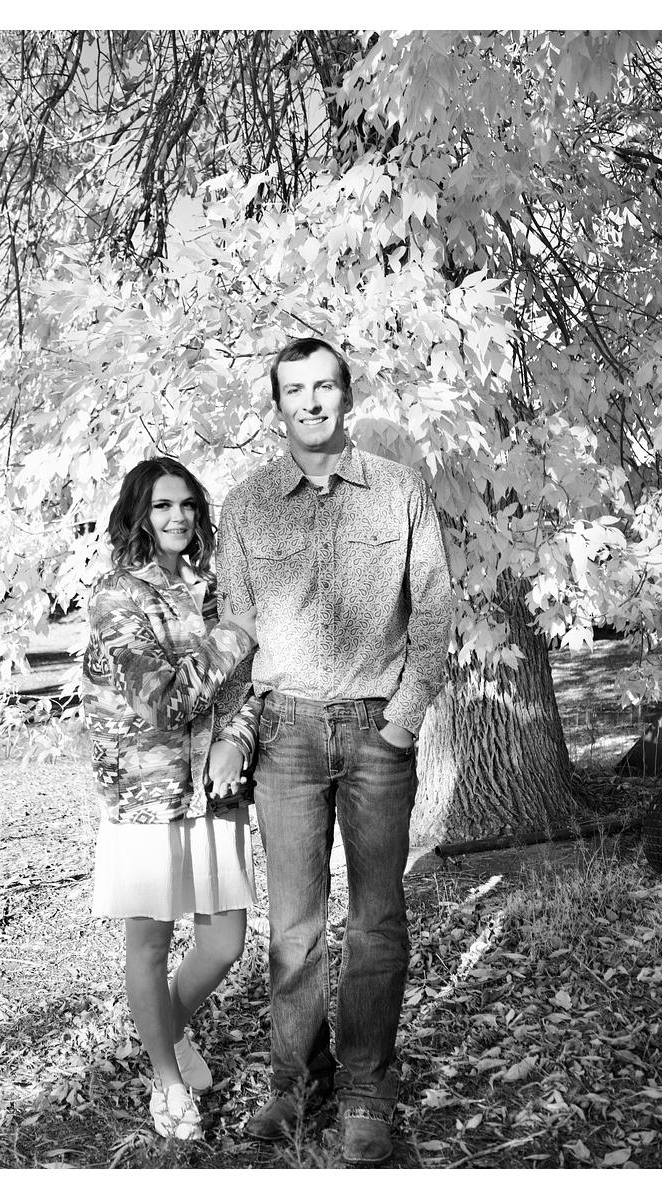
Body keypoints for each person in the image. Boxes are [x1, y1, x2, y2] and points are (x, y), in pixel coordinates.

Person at [217, 337, 453, 1164]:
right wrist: (234, 730)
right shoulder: (247, 505)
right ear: (277, 405)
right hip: (284, 738)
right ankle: (295, 1082)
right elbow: (235, 632)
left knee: (377, 922)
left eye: (324, 386)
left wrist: (403, 721)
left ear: (347, 397)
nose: (311, 402)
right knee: (294, 929)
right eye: (295, 390)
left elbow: (433, 612)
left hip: (378, 733)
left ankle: (364, 1092)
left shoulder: (400, 492)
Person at [82, 457, 260, 1142]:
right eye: (161, 505)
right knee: (150, 942)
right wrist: (235, 635)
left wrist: (235, 740)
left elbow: (251, 691)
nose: (178, 516)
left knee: (224, 941)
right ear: (139, 514)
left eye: (187, 504)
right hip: (148, 797)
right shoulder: (118, 596)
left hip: (214, 790)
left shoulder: (217, 588)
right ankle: (167, 1078)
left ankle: (167, 1029)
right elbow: (161, 702)